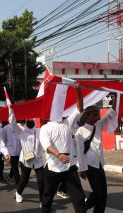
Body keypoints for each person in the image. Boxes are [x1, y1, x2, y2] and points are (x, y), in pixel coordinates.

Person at [39, 85, 86, 213]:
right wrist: (58, 155)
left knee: (79, 198)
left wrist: (78, 90)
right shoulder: (45, 128)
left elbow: (79, 109)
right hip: (53, 168)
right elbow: (47, 146)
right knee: (48, 196)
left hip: (69, 167)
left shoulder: (67, 123)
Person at [75, 97, 117, 213]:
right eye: (93, 115)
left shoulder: (98, 126)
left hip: (100, 164)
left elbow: (109, 113)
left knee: (103, 195)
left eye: (97, 114)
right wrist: (82, 169)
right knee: (98, 193)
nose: (97, 117)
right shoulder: (81, 131)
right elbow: (79, 152)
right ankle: (84, 207)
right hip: (89, 166)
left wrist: (116, 96)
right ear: (87, 116)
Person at [8, 107, 44, 205]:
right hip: (26, 159)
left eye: (32, 120)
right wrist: (11, 110)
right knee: (25, 179)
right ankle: (18, 193)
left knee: (41, 180)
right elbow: (12, 122)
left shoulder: (39, 131)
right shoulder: (21, 130)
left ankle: (42, 200)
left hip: (38, 160)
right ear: (25, 121)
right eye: (28, 120)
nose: (30, 121)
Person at [2, 120, 21, 185]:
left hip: (18, 150)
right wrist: (5, 152)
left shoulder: (19, 127)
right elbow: (3, 139)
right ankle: (19, 182)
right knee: (15, 167)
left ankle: (9, 176)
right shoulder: (5, 128)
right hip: (10, 151)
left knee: (15, 165)